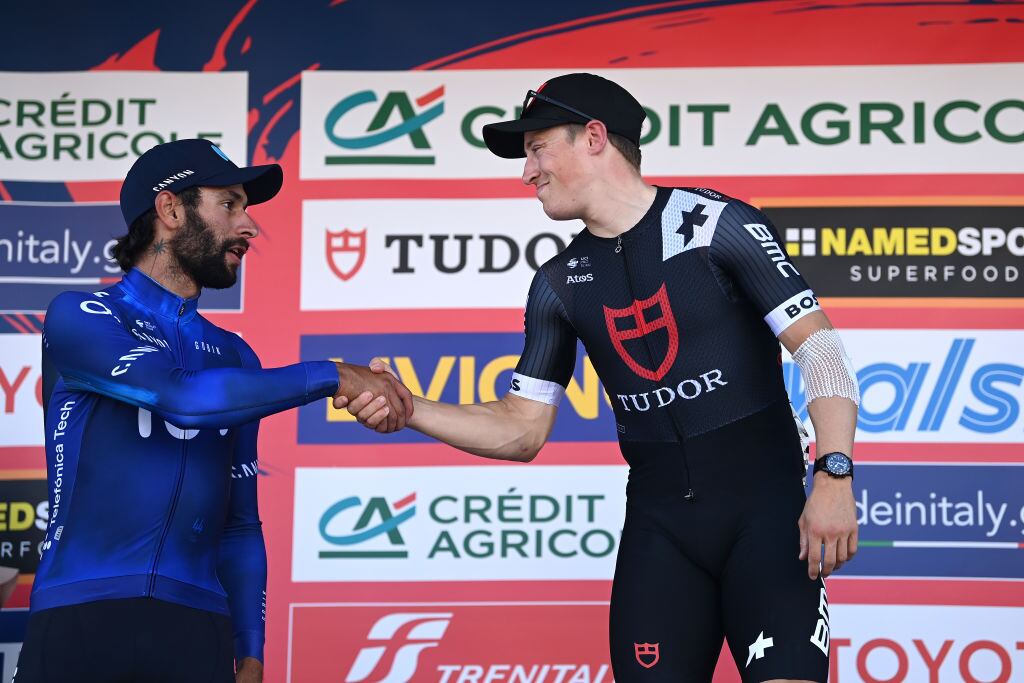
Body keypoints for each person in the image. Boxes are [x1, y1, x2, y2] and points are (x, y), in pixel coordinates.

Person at [343, 74, 860, 683]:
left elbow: (820, 348)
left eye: (537, 148)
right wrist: (411, 408)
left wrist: (833, 473)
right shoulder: (559, 282)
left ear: (593, 137)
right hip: (661, 530)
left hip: (768, 519)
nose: (527, 172)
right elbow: (521, 429)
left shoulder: (719, 225)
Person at [16, 139, 412, 683]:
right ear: (171, 210)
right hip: (82, 614)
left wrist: (250, 648)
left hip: (197, 625)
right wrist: (334, 374)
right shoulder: (81, 314)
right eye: (230, 205)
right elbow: (181, 399)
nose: (249, 227)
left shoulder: (233, 353)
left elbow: (240, 526)